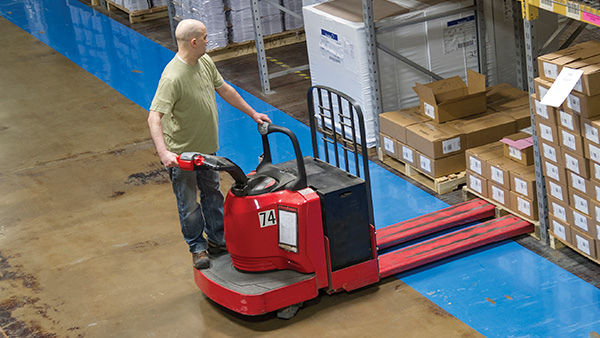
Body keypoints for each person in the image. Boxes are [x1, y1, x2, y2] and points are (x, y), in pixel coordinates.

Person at [147, 19, 271, 270]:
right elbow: (154, 116)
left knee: (213, 194)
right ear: (193, 42)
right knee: (189, 203)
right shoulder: (172, 77)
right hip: (183, 156)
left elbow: (225, 89)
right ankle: (198, 247)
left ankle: (217, 240)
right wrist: (164, 153)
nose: (208, 41)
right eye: (204, 37)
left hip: (207, 150)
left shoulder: (204, 62)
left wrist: (253, 113)